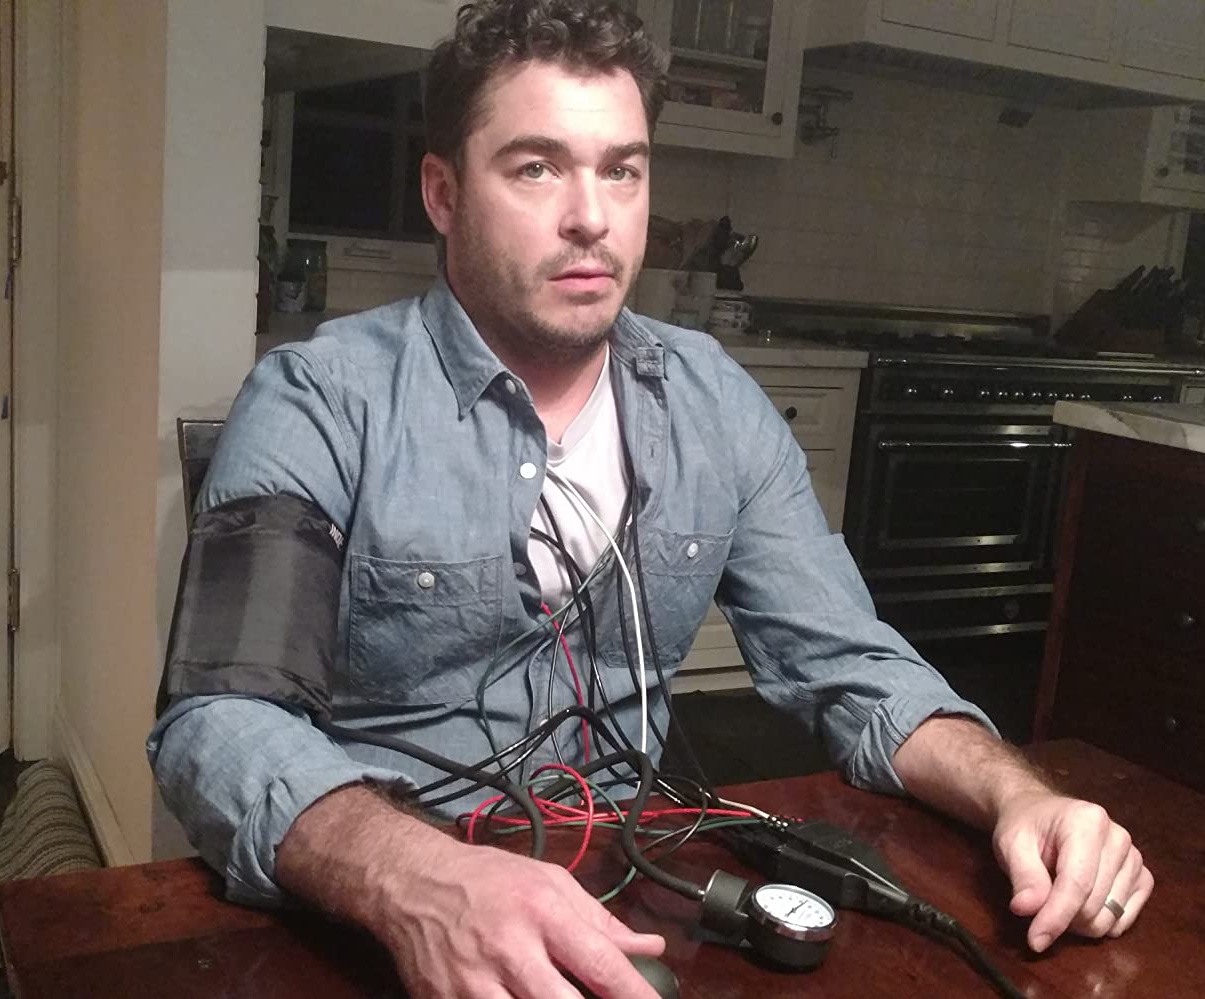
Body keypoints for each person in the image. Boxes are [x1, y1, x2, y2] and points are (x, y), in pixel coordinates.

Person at [150, 2, 1153, 997]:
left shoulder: (715, 400)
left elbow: (853, 667)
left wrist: (1016, 798)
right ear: (443, 193)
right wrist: (418, 878)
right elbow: (218, 718)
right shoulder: (319, 400)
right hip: (387, 911)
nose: (590, 216)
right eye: (535, 167)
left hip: (633, 895)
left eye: (621, 170)